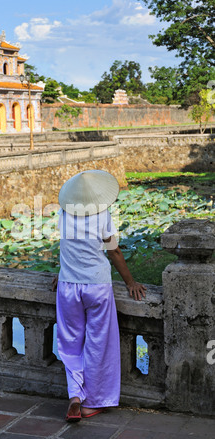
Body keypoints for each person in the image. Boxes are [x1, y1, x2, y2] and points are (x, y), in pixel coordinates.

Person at [52, 170, 146, 423]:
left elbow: (68, 245)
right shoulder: (102, 214)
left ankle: (74, 395)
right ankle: (92, 402)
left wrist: (61, 273)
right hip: (97, 287)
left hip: (69, 286)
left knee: (70, 343)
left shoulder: (63, 213)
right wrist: (130, 282)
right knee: (98, 344)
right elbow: (114, 252)